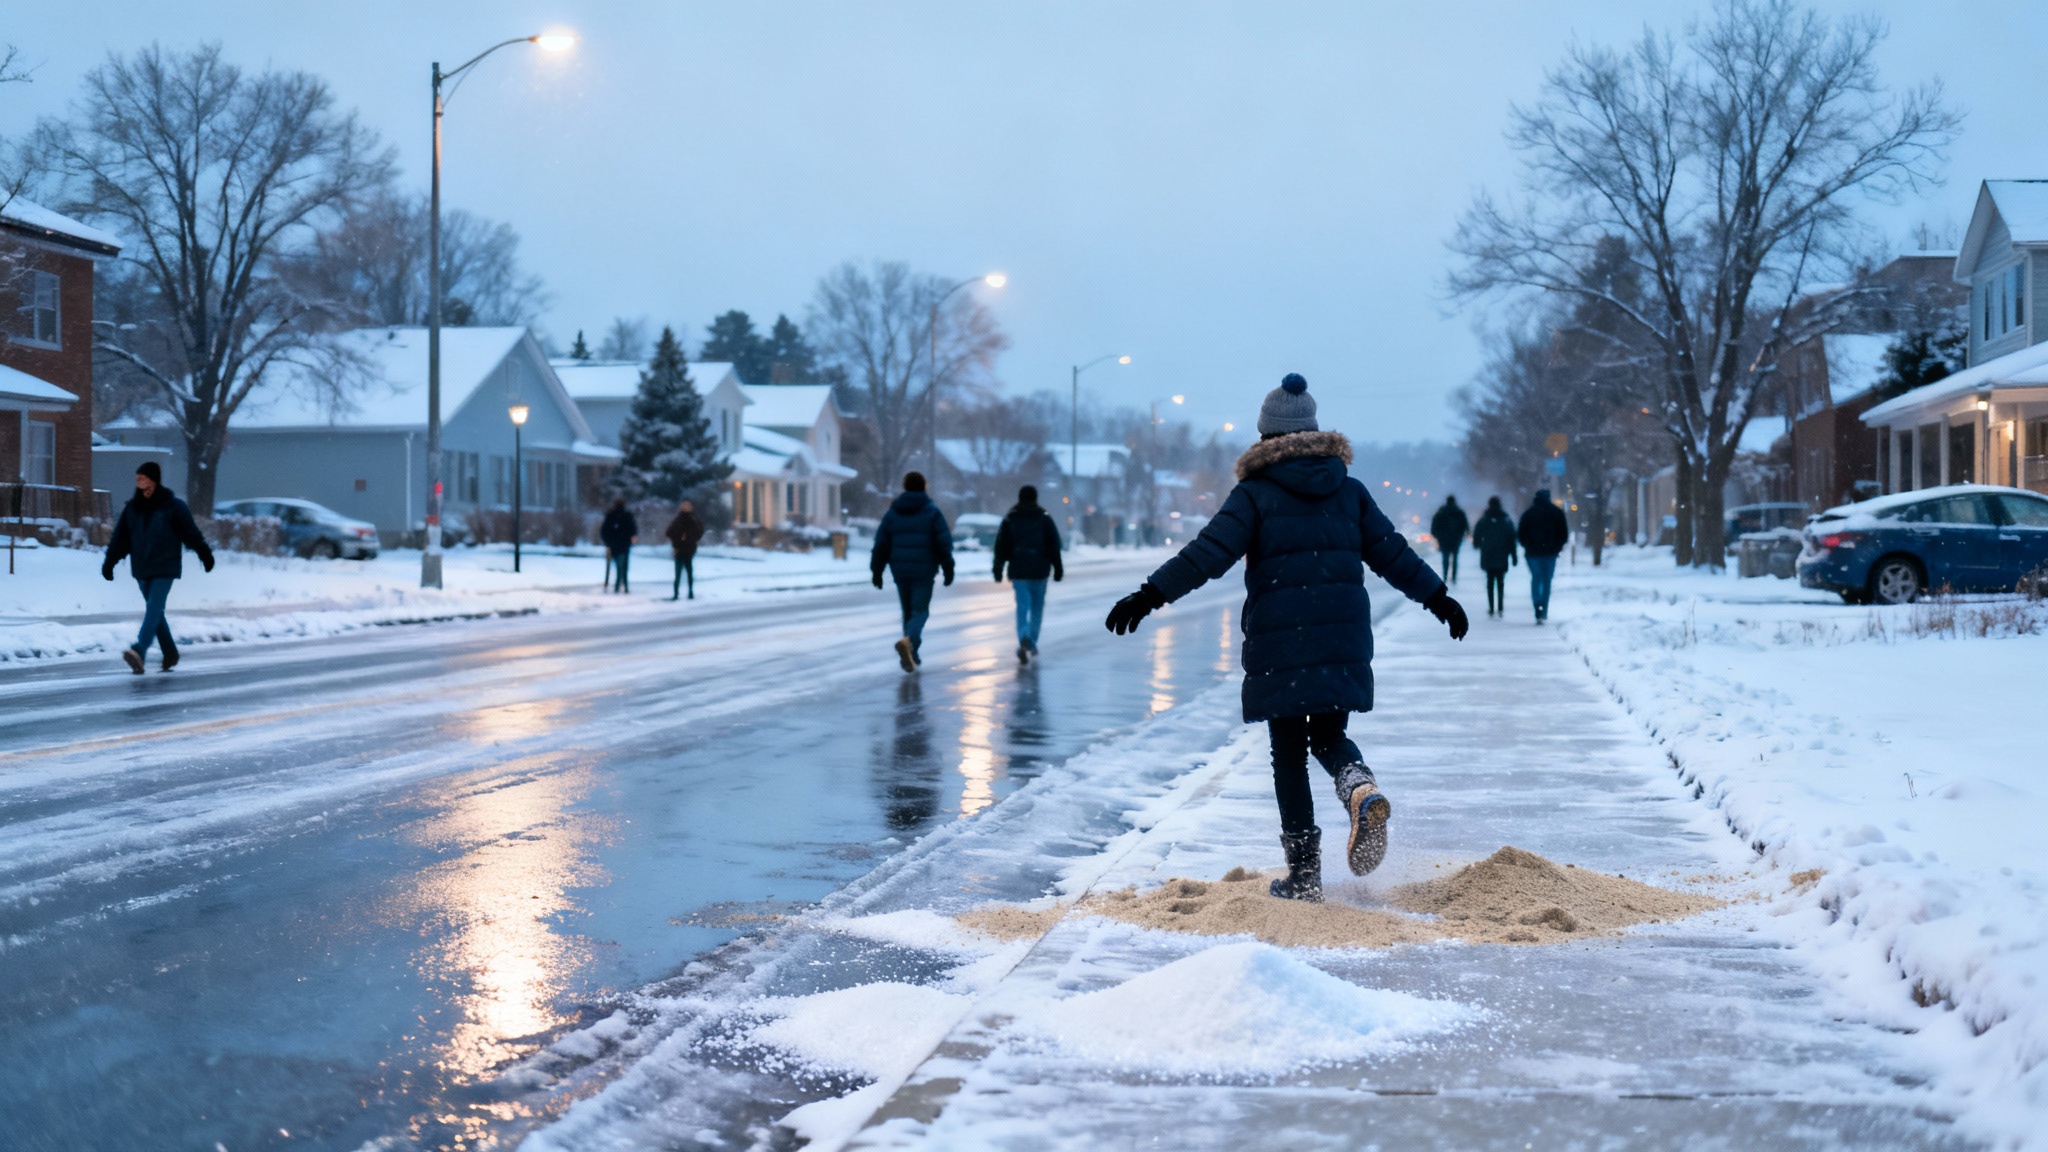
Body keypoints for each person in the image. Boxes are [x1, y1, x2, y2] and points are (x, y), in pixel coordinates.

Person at [1104, 374, 1467, 902]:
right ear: (1313, 431)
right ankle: (1359, 787)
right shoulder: (1350, 491)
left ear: (1265, 436)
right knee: (1327, 735)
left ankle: (1304, 876)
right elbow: (1394, 554)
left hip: (1281, 642)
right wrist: (1439, 598)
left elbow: (1206, 555)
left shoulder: (1255, 494)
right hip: (1341, 636)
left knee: (1288, 754)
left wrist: (1149, 595)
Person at [101, 461, 214, 675]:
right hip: (142, 567)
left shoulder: (172, 506)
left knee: (153, 608)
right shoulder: (132, 508)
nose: (138, 481)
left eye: (142, 477)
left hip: (165, 566)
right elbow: (120, 539)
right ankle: (170, 653)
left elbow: (191, 533)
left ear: (153, 479)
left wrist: (204, 554)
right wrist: (109, 562)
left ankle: (139, 650)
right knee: (156, 613)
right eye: (137, 478)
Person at [871, 471, 954, 672]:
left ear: (905, 486)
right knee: (920, 611)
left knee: (907, 612)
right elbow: (943, 541)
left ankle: (911, 652)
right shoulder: (932, 511)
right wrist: (948, 566)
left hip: (900, 569)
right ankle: (910, 644)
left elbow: (881, 542)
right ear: (924, 486)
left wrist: (877, 569)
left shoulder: (893, 512)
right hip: (924, 570)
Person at [992, 485, 1063, 664]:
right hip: (1040, 570)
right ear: (1035, 497)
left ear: (1019, 497)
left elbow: (1001, 545)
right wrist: (1058, 567)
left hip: (1019, 570)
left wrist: (998, 568)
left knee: (1022, 606)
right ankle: (1031, 641)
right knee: (1037, 608)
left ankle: (1023, 636)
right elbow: (1054, 544)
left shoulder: (1011, 517)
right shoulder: (1044, 518)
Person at [1517, 488, 1570, 623]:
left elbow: (1521, 534)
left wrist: (1528, 545)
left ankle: (1537, 605)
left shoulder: (1529, 514)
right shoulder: (1556, 513)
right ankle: (1544, 609)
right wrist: (1556, 548)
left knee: (1536, 578)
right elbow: (1563, 534)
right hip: (1550, 554)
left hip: (1533, 554)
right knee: (1547, 581)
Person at [1470, 495, 1518, 618]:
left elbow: (1477, 534)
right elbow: (1511, 538)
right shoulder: (1506, 519)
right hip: (1502, 554)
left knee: (1490, 581)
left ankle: (1491, 607)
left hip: (1488, 554)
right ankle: (1500, 607)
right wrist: (1513, 556)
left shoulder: (1484, 519)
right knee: (1501, 581)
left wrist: (1478, 545)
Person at [665, 499, 705, 600]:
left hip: (689, 548)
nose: (686, 507)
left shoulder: (693, 519)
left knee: (688, 571)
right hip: (679, 548)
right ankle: (676, 593)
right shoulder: (678, 519)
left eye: (687, 505)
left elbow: (699, 532)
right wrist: (679, 538)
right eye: (684, 505)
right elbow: (669, 532)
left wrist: (689, 537)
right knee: (678, 573)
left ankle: (690, 592)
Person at [600, 498, 638, 594]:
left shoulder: (611, 516)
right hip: (624, 545)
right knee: (624, 567)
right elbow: (633, 530)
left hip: (613, 545)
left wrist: (608, 542)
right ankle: (624, 586)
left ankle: (615, 586)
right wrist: (630, 540)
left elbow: (604, 531)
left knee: (616, 566)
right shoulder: (627, 516)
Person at [1429, 495, 1469, 584]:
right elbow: (1465, 525)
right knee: (1455, 558)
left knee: (1445, 558)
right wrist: (1463, 535)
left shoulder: (1441, 512)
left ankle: (1445, 576)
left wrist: (1436, 535)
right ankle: (1454, 577)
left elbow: (1434, 525)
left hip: (1444, 539)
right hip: (1456, 539)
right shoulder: (1459, 512)